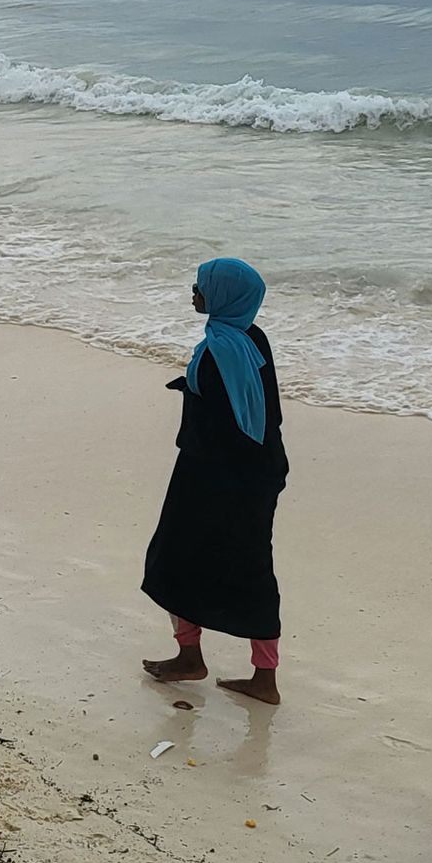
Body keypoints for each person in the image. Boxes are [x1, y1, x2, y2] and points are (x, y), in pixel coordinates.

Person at [140, 258, 286, 703]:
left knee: (173, 560)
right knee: (252, 570)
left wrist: (193, 391)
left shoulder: (216, 350)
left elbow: (218, 425)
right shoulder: (251, 339)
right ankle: (264, 678)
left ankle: (190, 657)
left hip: (211, 477)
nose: (194, 291)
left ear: (223, 296)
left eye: (201, 286)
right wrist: (191, 388)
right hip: (259, 474)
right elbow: (255, 412)